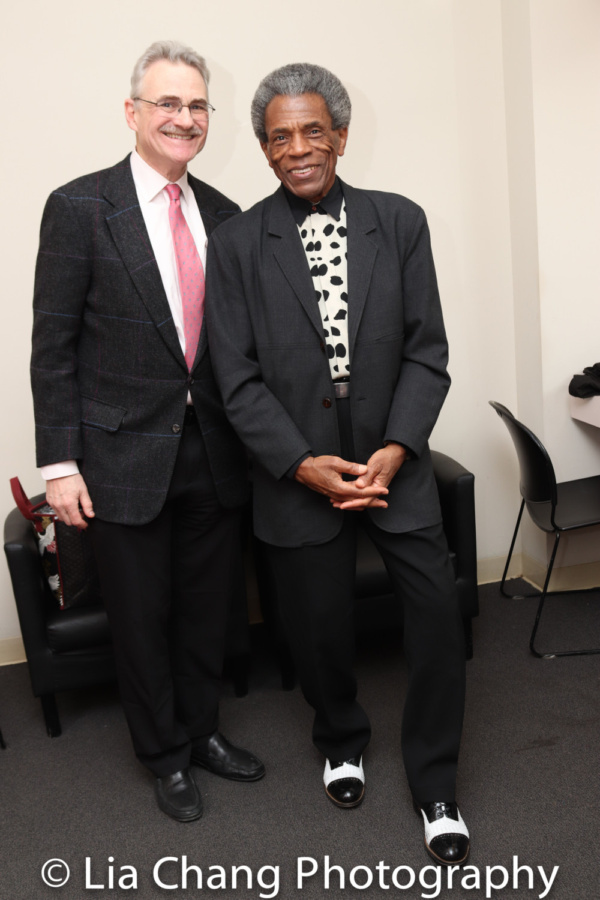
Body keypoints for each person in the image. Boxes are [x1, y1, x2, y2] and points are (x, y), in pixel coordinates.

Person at [205, 63, 468, 864]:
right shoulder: (238, 244)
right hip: (297, 472)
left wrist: (396, 447)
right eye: (278, 136)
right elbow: (235, 378)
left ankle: (436, 783)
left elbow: (428, 351)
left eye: (312, 130)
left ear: (341, 136)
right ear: (263, 149)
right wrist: (298, 464)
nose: (296, 148)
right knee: (317, 631)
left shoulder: (402, 221)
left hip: (396, 458)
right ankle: (342, 738)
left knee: (435, 621)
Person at [30, 40, 264, 823]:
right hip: (119, 458)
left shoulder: (225, 216)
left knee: (207, 609)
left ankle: (202, 732)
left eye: (197, 105)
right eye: (168, 103)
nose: (184, 117)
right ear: (132, 112)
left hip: (213, 453)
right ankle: (162, 755)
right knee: (140, 617)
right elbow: (53, 344)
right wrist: (60, 464)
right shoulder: (79, 207)